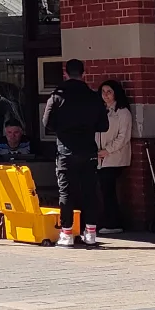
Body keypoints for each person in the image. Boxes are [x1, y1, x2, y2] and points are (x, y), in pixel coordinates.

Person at [41, 58, 109, 247]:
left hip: (65, 150)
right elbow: (104, 125)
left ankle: (67, 233)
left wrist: (63, 129)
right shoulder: (94, 96)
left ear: (65, 73)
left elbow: (47, 123)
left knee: (66, 191)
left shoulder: (57, 96)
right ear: (84, 73)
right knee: (89, 190)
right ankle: (91, 232)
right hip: (88, 149)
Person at [96, 79, 133, 236]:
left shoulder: (123, 112)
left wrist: (108, 150)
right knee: (104, 190)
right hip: (100, 156)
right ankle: (106, 220)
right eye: (103, 92)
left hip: (115, 157)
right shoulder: (101, 110)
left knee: (109, 190)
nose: (106, 95)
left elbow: (123, 137)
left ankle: (114, 223)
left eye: (109, 92)